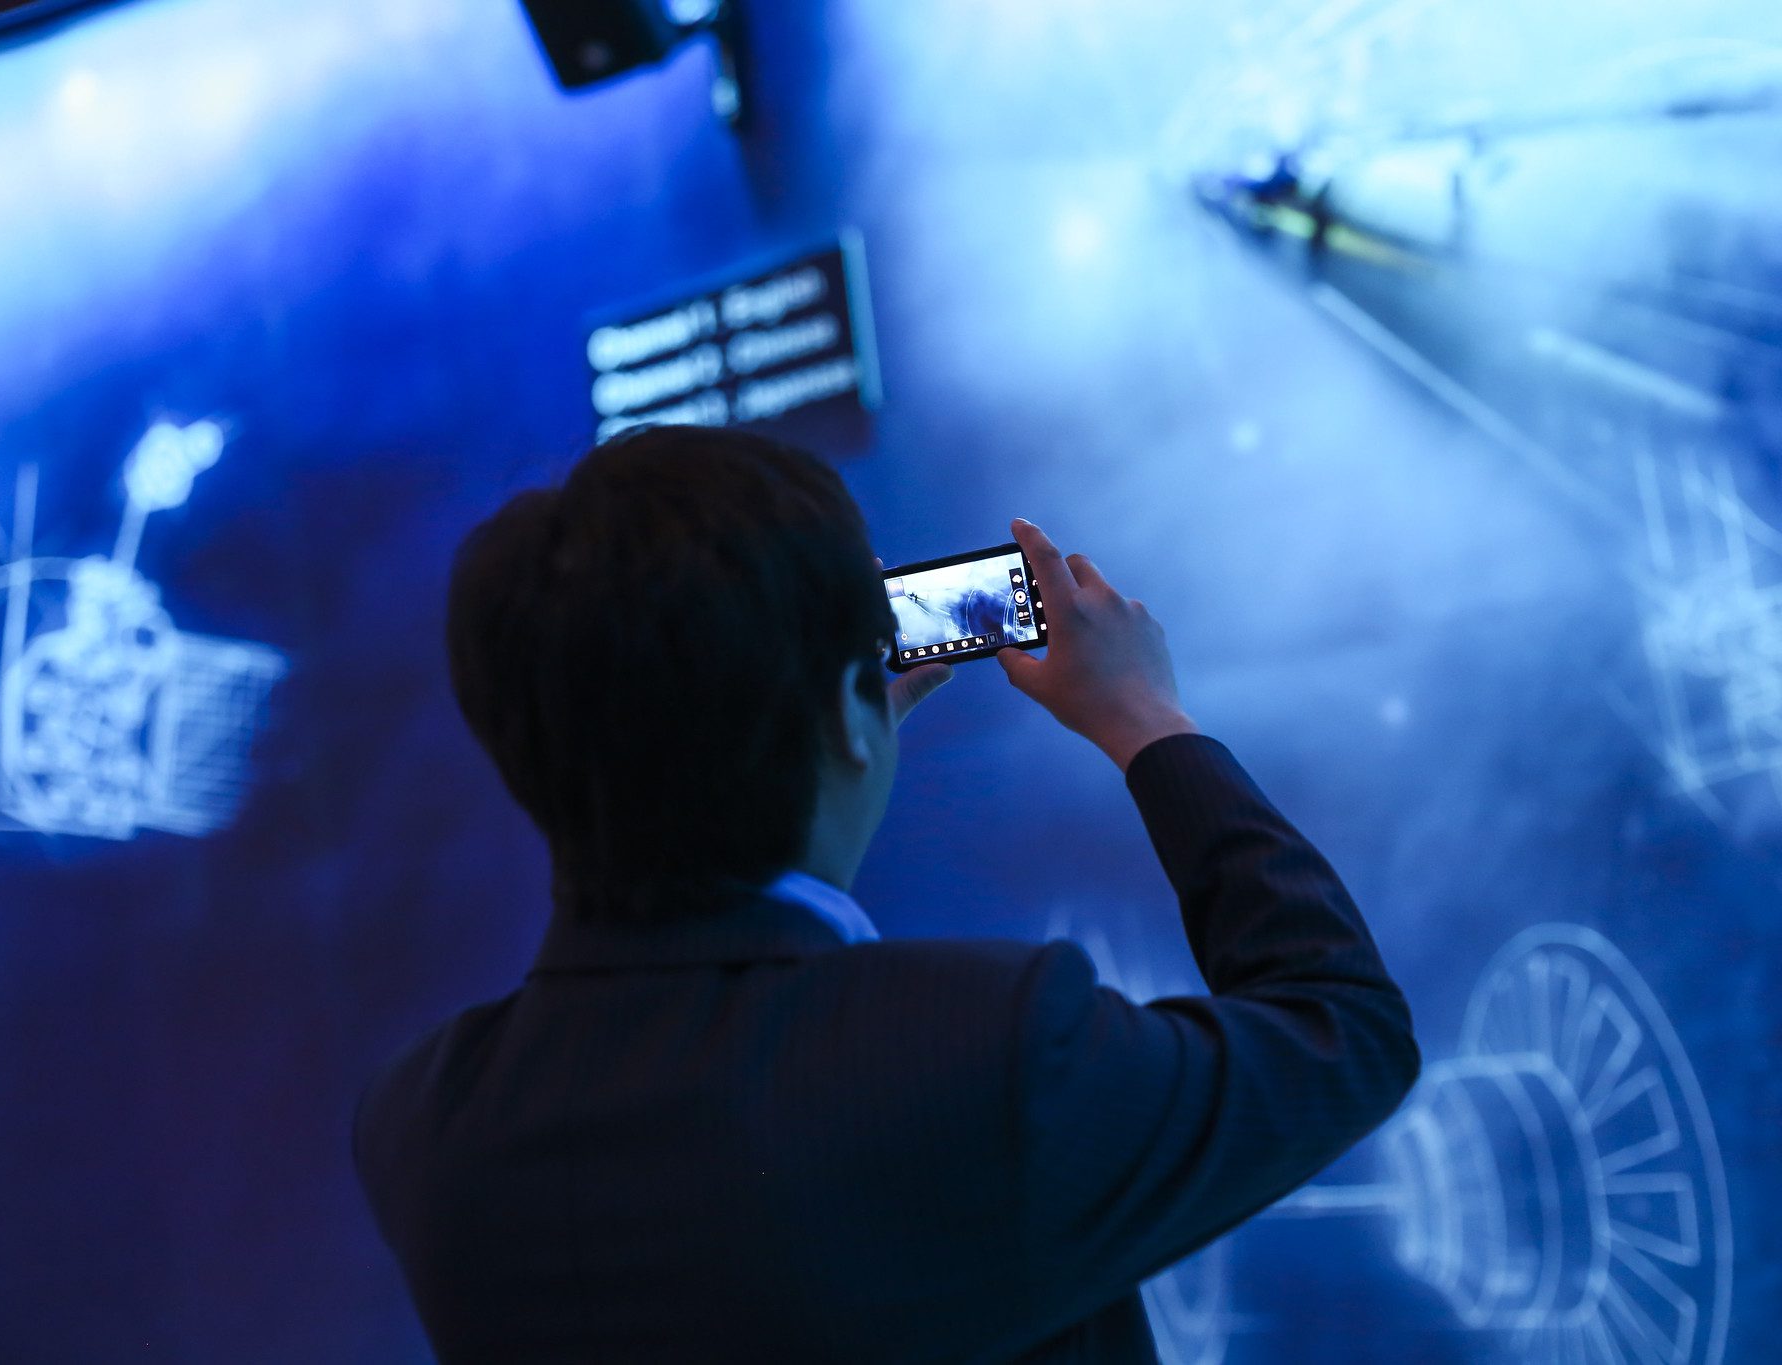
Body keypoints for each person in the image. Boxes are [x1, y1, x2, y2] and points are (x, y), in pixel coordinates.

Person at [353, 426, 1420, 1363]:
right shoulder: (990, 1054)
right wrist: (1146, 719)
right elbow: (1340, 1030)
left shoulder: (425, 1128)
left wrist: (827, 736)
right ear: (857, 710)